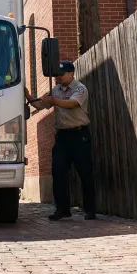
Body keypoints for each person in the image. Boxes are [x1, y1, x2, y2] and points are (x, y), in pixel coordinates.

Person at [25, 61, 96, 221]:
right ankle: (62, 210)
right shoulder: (56, 90)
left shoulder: (80, 89)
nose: (58, 77)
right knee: (58, 172)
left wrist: (53, 101)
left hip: (79, 135)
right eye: (57, 74)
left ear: (71, 74)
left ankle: (90, 211)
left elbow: (71, 104)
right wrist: (28, 96)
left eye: (61, 74)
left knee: (85, 173)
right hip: (62, 136)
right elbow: (41, 104)